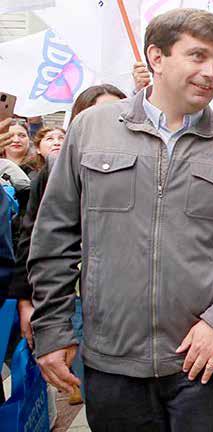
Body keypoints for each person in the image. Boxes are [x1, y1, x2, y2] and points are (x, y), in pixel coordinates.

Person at [28, 9, 213, 431]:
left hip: (208, 361)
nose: (211, 72)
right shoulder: (91, 130)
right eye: (197, 56)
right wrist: (52, 329)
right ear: (156, 57)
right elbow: (54, 236)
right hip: (113, 362)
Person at [11, 84, 125, 406]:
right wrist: (26, 301)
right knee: (97, 394)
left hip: (125, 304)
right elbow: (35, 239)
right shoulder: (56, 169)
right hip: (75, 301)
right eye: (98, 114)